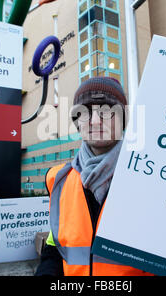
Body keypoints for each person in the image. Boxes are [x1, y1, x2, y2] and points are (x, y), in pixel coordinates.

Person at [35, 76, 153, 276]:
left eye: (107, 112)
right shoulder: (59, 180)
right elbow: (56, 247)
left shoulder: (147, 178)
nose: (96, 121)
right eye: (86, 112)